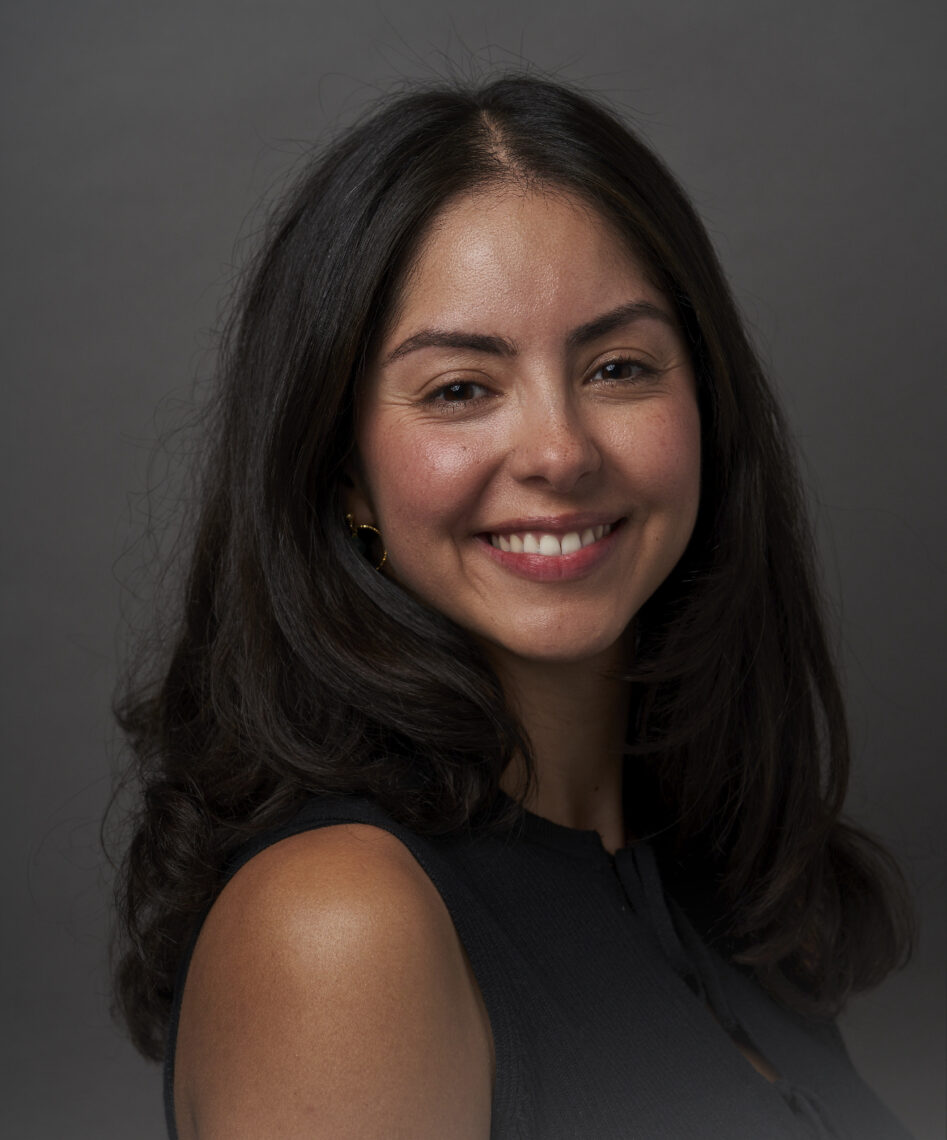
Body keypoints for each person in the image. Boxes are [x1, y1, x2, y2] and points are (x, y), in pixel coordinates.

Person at [109, 73, 916, 1138]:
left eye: (618, 367)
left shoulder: (701, 886)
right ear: (341, 473)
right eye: (459, 388)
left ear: (705, 412)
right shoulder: (341, 927)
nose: (559, 451)